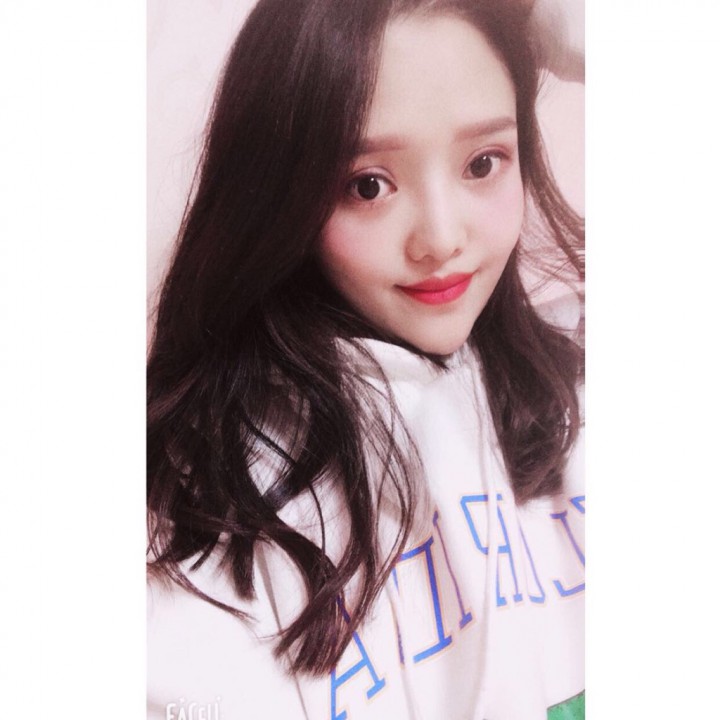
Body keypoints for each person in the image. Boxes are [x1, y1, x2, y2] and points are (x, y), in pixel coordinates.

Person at [147, 0, 585, 718]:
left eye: (483, 163)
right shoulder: (222, 507)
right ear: (279, 197)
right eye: (368, 185)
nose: (441, 239)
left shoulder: (576, 375)